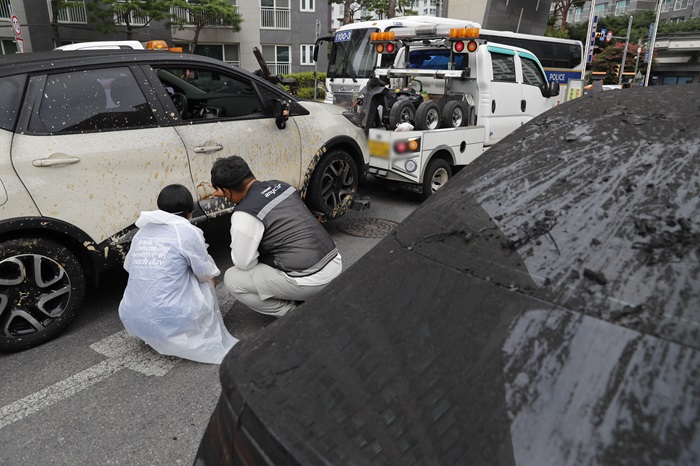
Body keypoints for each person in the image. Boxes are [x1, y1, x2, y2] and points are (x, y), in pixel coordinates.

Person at [118, 184, 238, 364]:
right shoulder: (187, 231)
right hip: (172, 319)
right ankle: (194, 326)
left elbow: (129, 267)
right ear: (190, 211)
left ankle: (154, 329)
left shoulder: (143, 231)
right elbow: (205, 273)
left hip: (132, 317)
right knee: (209, 272)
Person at [211, 155, 342, 317]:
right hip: (334, 262)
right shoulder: (281, 185)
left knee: (232, 278)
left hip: (311, 279)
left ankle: (295, 314)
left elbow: (244, 263)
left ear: (226, 191)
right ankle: (301, 296)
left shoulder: (245, 213)